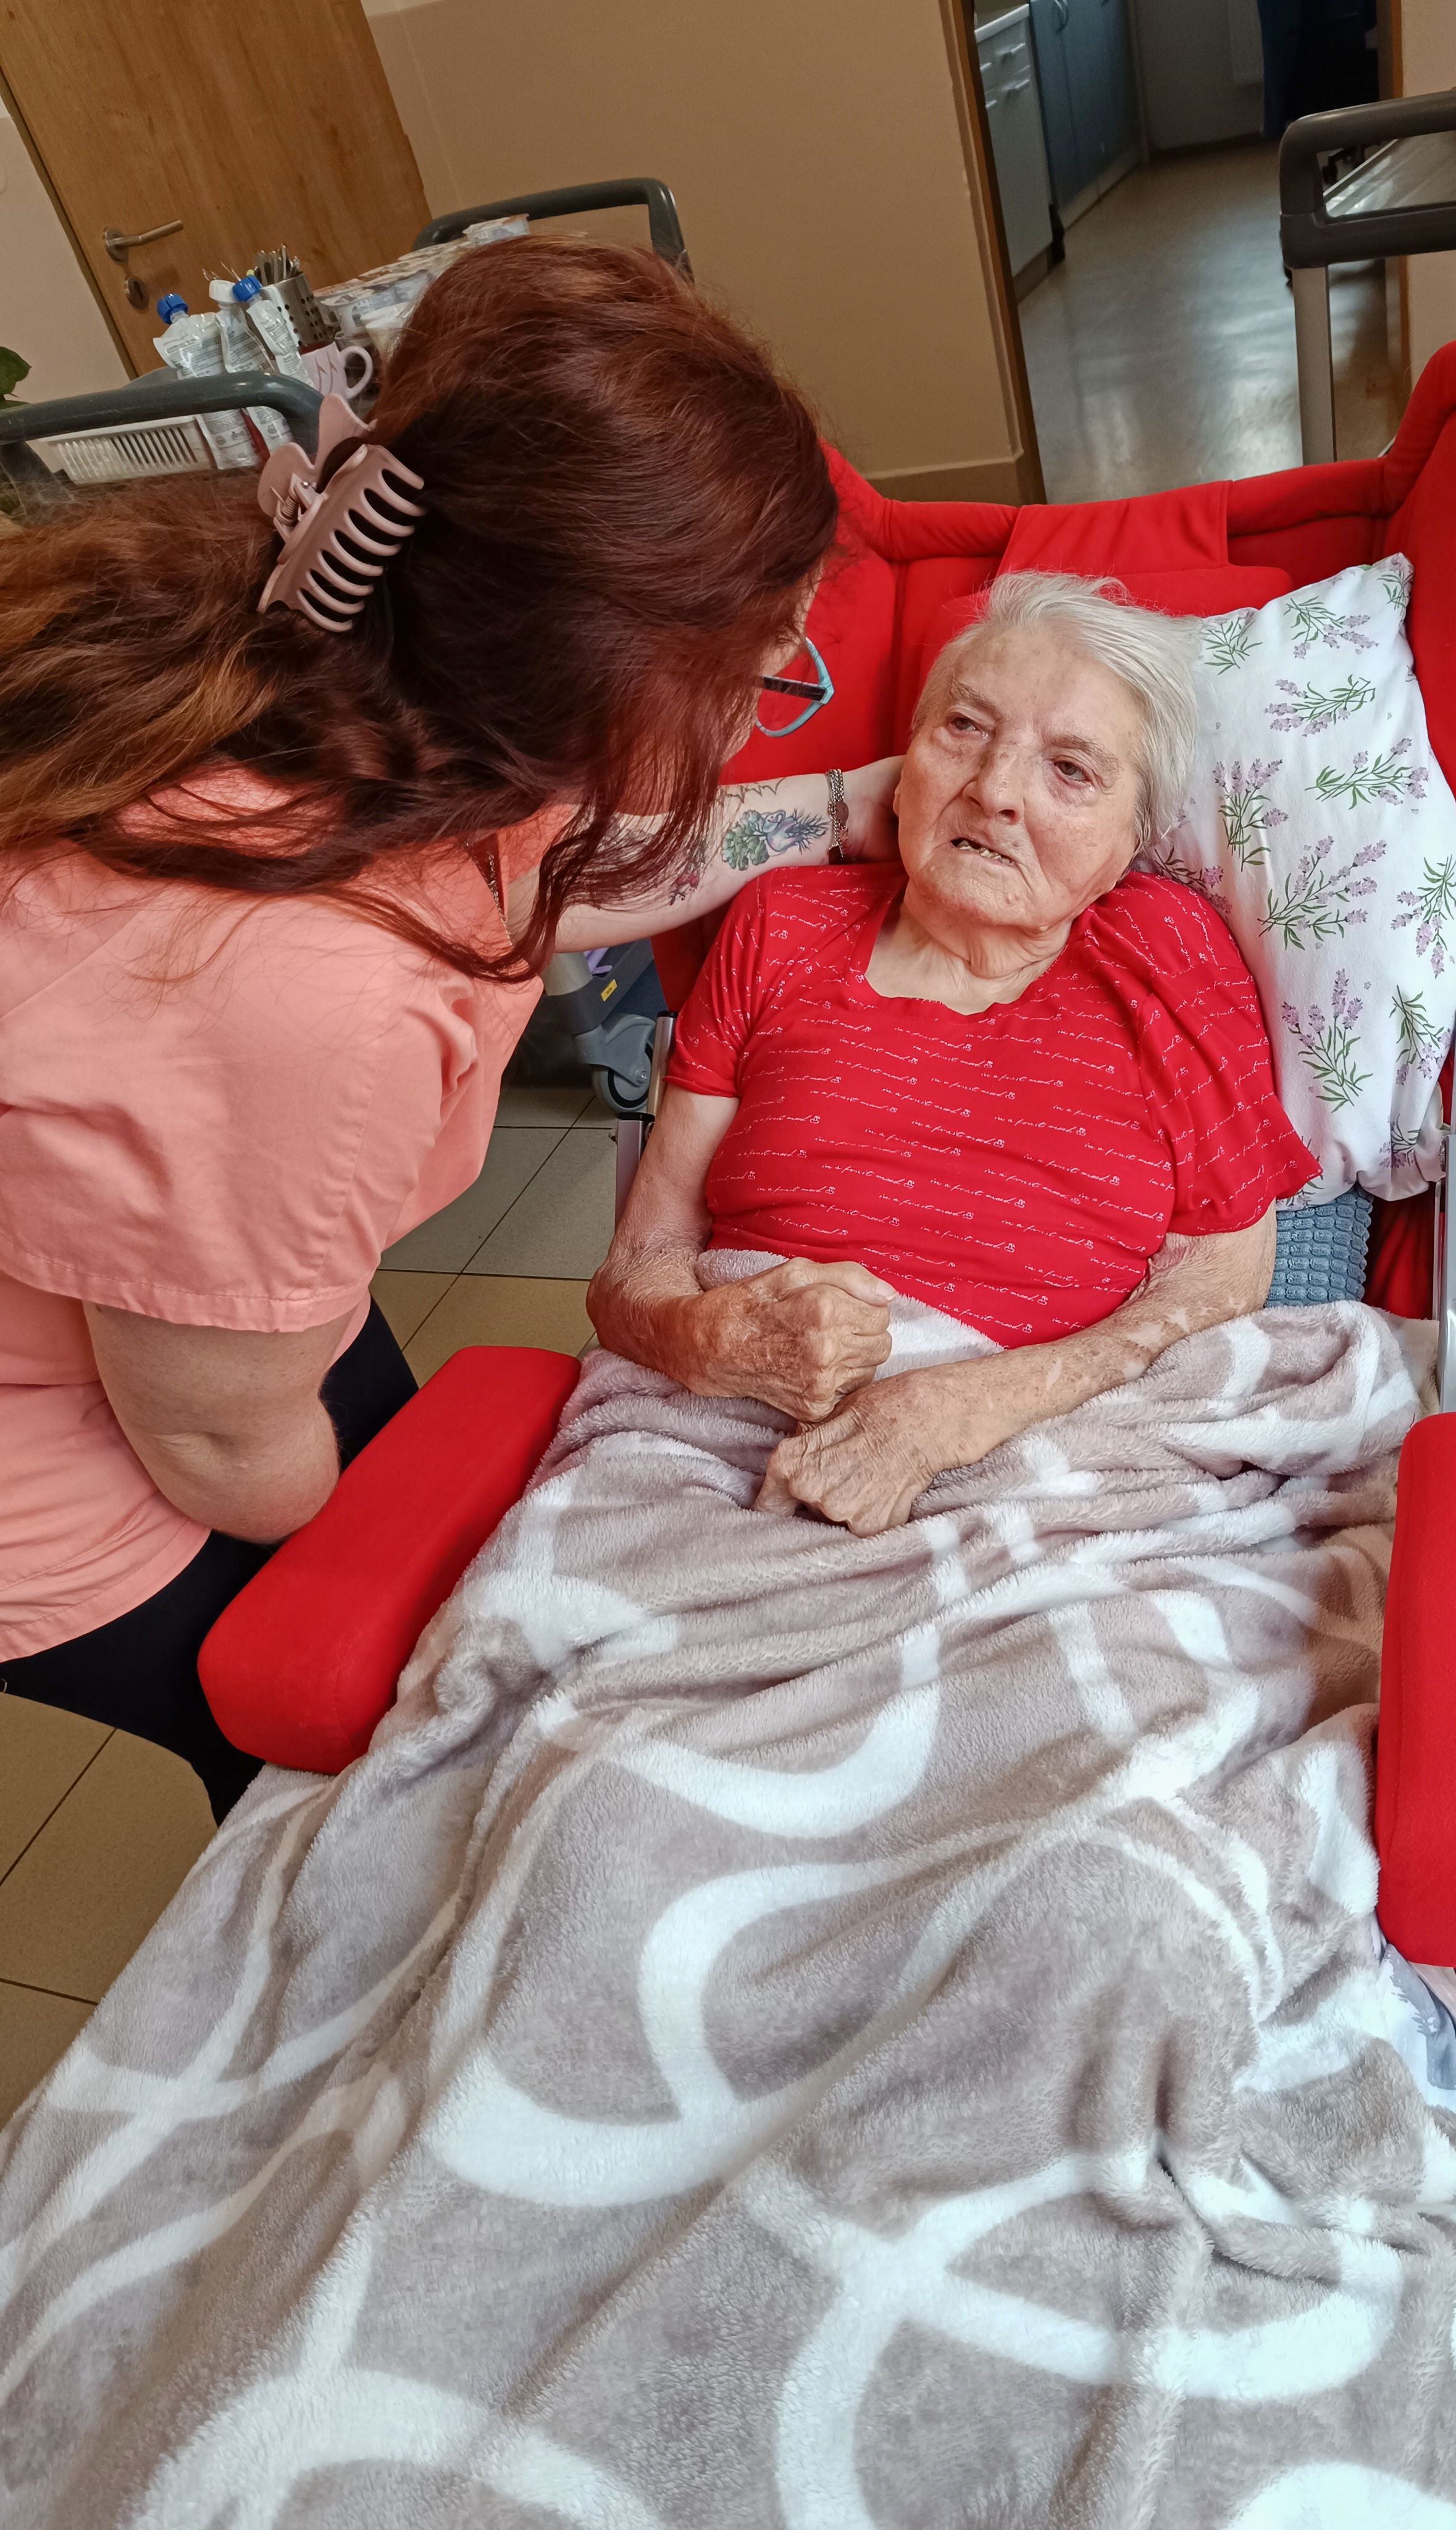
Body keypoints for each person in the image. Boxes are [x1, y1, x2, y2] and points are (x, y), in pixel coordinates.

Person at [0, 238, 901, 1818]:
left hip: (204, 1309)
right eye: (763, 668)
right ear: (598, 683)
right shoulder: (314, 996)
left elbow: (539, 879)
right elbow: (223, 1445)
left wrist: (837, 808)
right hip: (65, 1459)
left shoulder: (381, 659)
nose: (780, 683)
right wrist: (420, 1585)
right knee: (327, 1745)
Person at [588, 573, 1318, 1534]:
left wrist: (968, 1407)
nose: (995, 791)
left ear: (1129, 842)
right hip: (721, 1447)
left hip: (1048, 1463)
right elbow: (639, 1264)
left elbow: (1223, 1281)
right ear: (904, 769)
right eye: (965, 728)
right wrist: (705, 1339)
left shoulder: (1167, 948)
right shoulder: (779, 924)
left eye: (1071, 770)